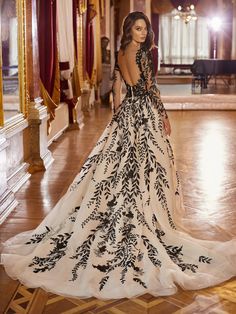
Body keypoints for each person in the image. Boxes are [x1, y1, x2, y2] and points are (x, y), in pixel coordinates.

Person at [1, 11, 236, 300]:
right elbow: (149, 88)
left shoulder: (122, 52)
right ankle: (143, 216)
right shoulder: (143, 54)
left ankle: (126, 209)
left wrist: (117, 117)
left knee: (118, 169)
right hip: (144, 114)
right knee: (148, 167)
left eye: (145, 29)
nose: (142, 32)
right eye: (138, 28)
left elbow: (116, 88)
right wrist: (162, 115)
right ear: (130, 30)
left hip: (126, 114)